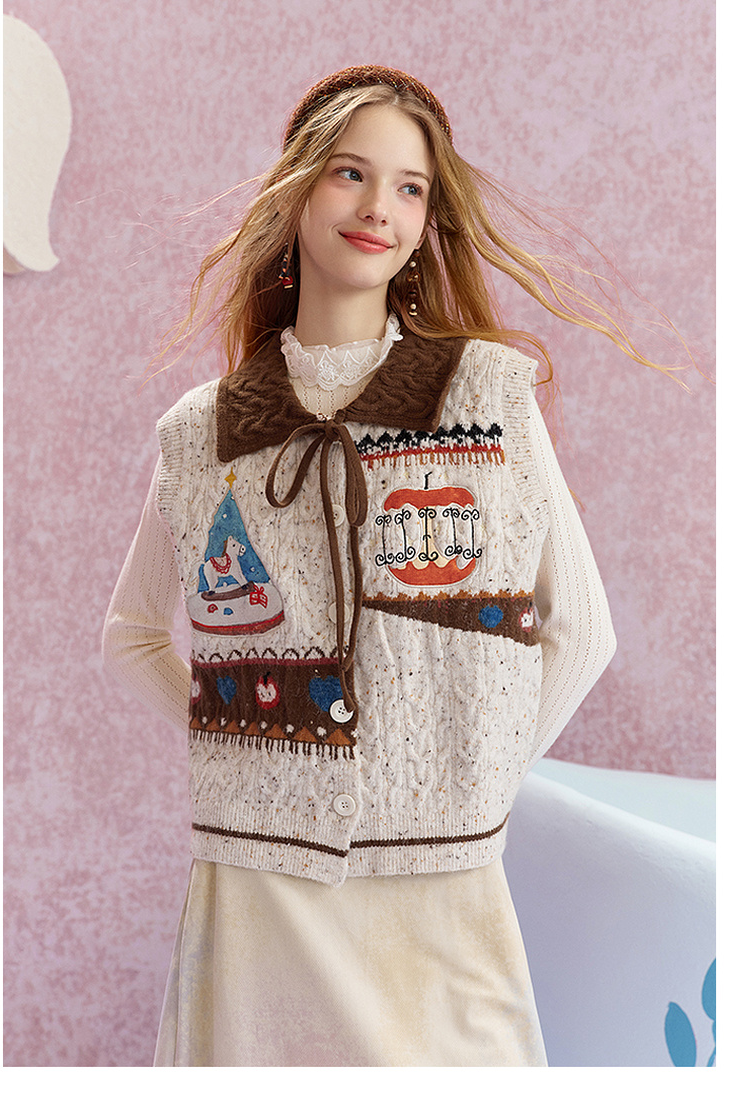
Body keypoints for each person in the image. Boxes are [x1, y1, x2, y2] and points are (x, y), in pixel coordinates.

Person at [103, 65, 678, 1067]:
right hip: (256, 888)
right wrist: (248, 757)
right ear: (296, 192)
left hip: (439, 887)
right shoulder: (203, 433)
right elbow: (132, 636)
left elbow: (581, 630)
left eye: (410, 187)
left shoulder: (485, 397)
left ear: (425, 224)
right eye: (351, 173)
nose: (379, 207)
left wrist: (470, 777)